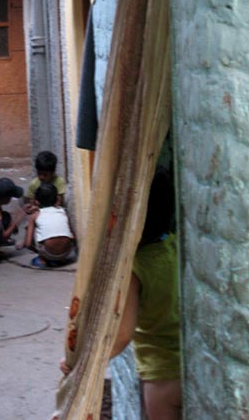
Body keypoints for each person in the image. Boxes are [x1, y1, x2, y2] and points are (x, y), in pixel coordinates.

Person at [61, 166, 181, 420]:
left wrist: (82, 361)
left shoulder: (135, 269)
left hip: (161, 375)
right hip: (188, 365)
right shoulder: (174, 246)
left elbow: (122, 336)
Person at [24, 183, 75, 269]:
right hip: (67, 252)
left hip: (48, 253)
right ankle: (59, 259)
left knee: (39, 230)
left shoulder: (35, 216)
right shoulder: (63, 212)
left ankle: (42, 259)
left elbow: (28, 244)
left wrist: (38, 251)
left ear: (36, 201)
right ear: (57, 199)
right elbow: (72, 235)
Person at [23, 150, 67, 214]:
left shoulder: (59, 182)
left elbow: (59, 202)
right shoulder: (34, 184)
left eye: (45, 175)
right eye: (39, 173)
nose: (41, 177)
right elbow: (31, 202)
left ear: (53, 172)